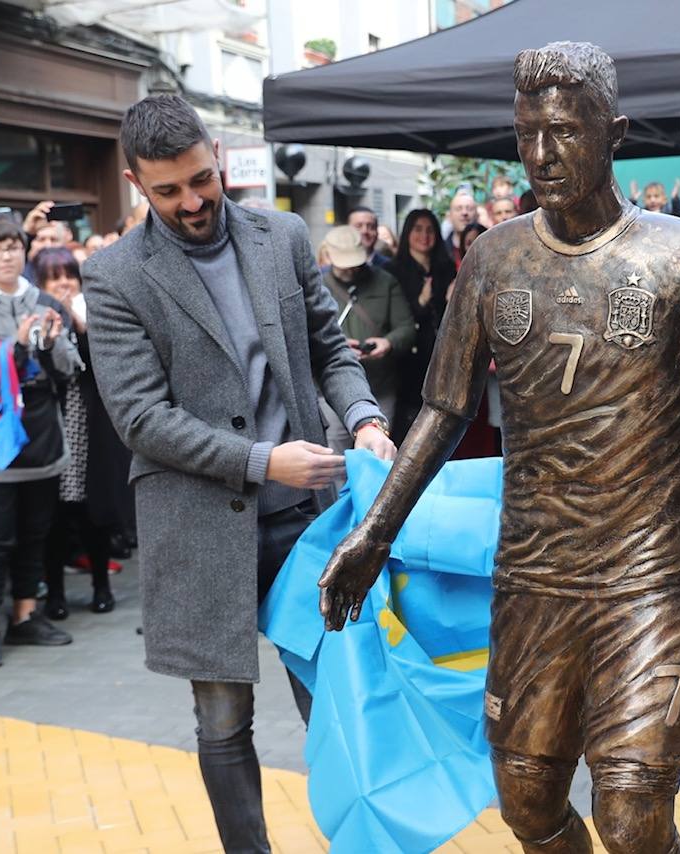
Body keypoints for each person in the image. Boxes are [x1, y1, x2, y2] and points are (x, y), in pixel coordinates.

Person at [318, 41, 680, 854]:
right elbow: (440, 407)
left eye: (566, 132)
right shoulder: (495, 258)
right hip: (535, 574)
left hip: (649, 578)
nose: (542, 155)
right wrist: (375, 531)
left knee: (634, 819)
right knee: (528, 803)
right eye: (527, 132)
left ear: (614, 133)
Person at [81, 94, 395, 853]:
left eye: (200, 179)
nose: (191, 202)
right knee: (223, 724)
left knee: (337, 704)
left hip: (303, 521)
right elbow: (141, 420)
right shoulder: (115, 275)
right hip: (196, 527)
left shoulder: (282, 235)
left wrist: (365, 418)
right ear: (135, 184)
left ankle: (362, 841)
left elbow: (329, 348)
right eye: (168, 190)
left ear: (217, 154)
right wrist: (262, 460)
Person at [0, 214, 79, 669]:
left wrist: (52, 343)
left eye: (13, 246)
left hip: (40, 437)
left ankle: (25, 614)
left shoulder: (45, 300)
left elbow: (70, 370)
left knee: (36, 532)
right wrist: (11, 349)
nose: (7, 255)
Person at [33, 247, 131, 618]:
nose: (62, 284)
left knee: (96, 516)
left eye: (67, 276)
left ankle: (101, 589)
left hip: (92, 430)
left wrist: (75, 319)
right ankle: (55, 593)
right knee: (54, 521)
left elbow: (104, 362)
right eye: (52, 277)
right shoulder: (33, 317)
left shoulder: (93, 313)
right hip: (50, 432)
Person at [319, 226, 415, 451]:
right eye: (345, 265)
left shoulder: (385, 281)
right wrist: (338, 348)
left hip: (379, 386)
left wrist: (388, 342)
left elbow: (407, 327)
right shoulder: (318, 284)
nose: (351, 270)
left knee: (379, 453)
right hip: (331, 392)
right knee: (335, 457)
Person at [385, 208, 456, 441]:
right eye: (418, 229)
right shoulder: (393, 272)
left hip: (443, 357)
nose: (424, 236)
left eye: (429, 230)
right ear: (407, 234)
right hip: (409, 364)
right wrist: (421, 302)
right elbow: (395, 321)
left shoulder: (445, 269)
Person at [444, 188, 479, 265]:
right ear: (449, 216)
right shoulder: (441, 251)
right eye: (458, 209)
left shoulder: (487, 246)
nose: (464, 213)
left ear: (477, 215)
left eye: (469, 209)